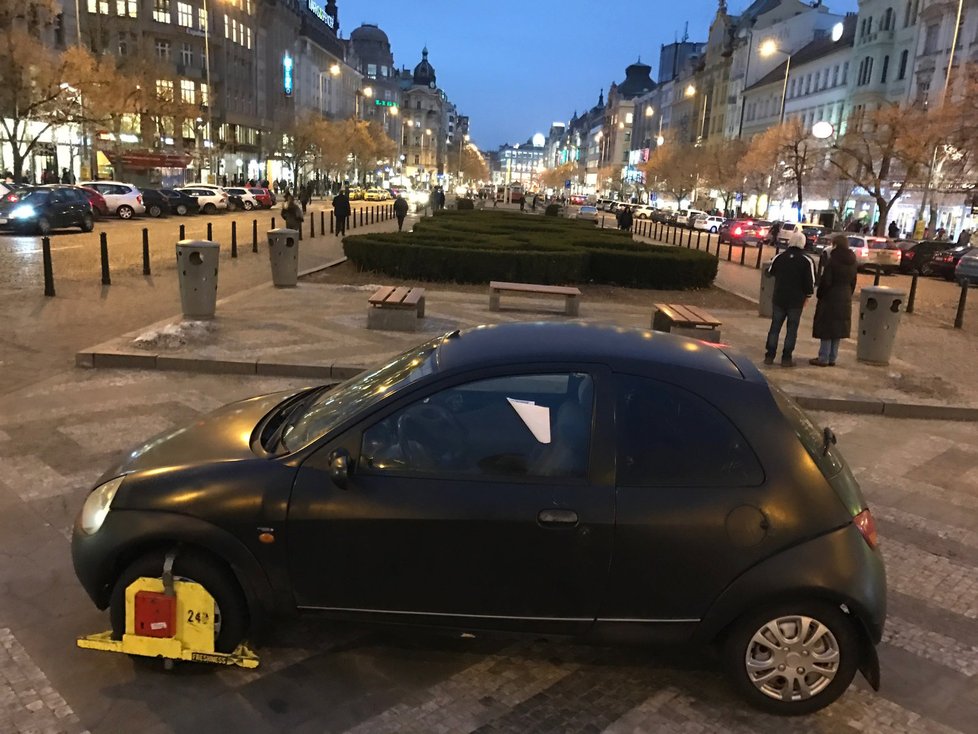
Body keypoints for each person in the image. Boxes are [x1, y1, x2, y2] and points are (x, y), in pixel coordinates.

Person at [763, 232, 815, 367]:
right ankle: (786, 357)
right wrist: (808, 296)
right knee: (792, 329)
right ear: (803, 243)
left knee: (775, 327)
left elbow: (769, 272)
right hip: (796, 300)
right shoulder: (806, 260)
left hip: (779, 297)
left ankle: (770, 355)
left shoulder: (780, 257)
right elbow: (810, 282)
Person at [809, 234, 858, 367]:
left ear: (835, 244)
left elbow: (826, 281)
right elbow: (854, 281)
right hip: (845, 296)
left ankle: (823, 357)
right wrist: (848, 293)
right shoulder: (853, 261)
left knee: (827, 326)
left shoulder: (833, 260)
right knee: (837, 328)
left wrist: (820, 294)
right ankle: (832, 357)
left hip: (831, 297)